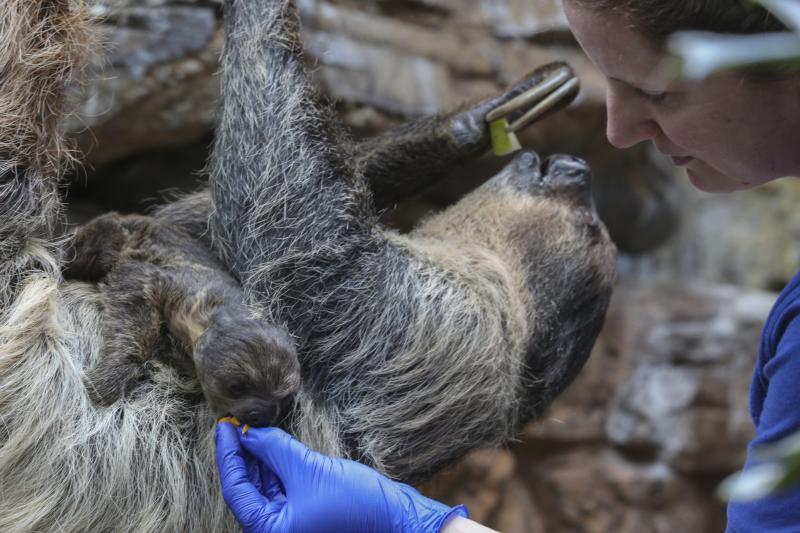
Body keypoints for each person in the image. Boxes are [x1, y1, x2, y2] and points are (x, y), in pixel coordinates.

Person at [216, 1, 800, 531]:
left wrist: (259, 20)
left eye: (659, 92)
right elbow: (307, 230)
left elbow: (295, 236)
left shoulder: (473, 334)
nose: (616, 134)